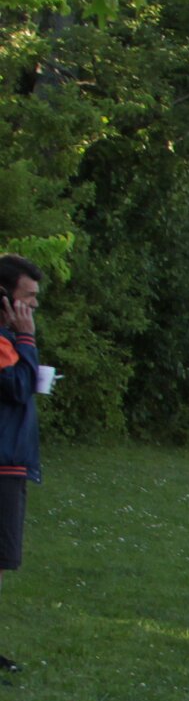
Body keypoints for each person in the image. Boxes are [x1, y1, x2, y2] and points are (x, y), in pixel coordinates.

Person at [0, 252, 43, 675]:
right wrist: (26, 340)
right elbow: (17, 387)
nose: (33, 306)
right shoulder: (3, 341)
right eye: (27, 297)